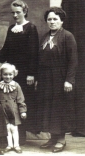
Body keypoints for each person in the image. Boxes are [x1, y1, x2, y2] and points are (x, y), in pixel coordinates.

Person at [0, 0, 39, 144]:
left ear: (25, 11)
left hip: (24, 74)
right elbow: (5, 51)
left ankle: (21, 137)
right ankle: (10, 136)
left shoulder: (31, 28)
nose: (15, 15)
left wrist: (31, 74)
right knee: (9, 103)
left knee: (21, 103)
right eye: (13, 12)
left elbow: (33, 53)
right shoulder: (11, 28)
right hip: (10, 74)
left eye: (18, 12)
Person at [37, 7, 78, 153]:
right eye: (49, 19)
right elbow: (40, 59)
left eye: (55, 19)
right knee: (48, 108)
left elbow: (73, 61)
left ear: (61, 20)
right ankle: (53, 138)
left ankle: (61, 140)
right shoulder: (44, 37)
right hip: (46, 79)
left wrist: (69, 80)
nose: (52, 22)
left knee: (59, 109)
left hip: (61, 78)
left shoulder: (68, 36)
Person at [0, 63, 27, 153]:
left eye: (10, 74)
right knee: (7, 128)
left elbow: (21, 100)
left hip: (13, 111)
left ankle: (16, 145)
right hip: (3, 111)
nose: (8, 76)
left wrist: (23, 111)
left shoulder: (16, 85)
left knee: (14, 128)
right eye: (5, 74)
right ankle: (9, 145)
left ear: (14, 74)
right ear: (1, 74)